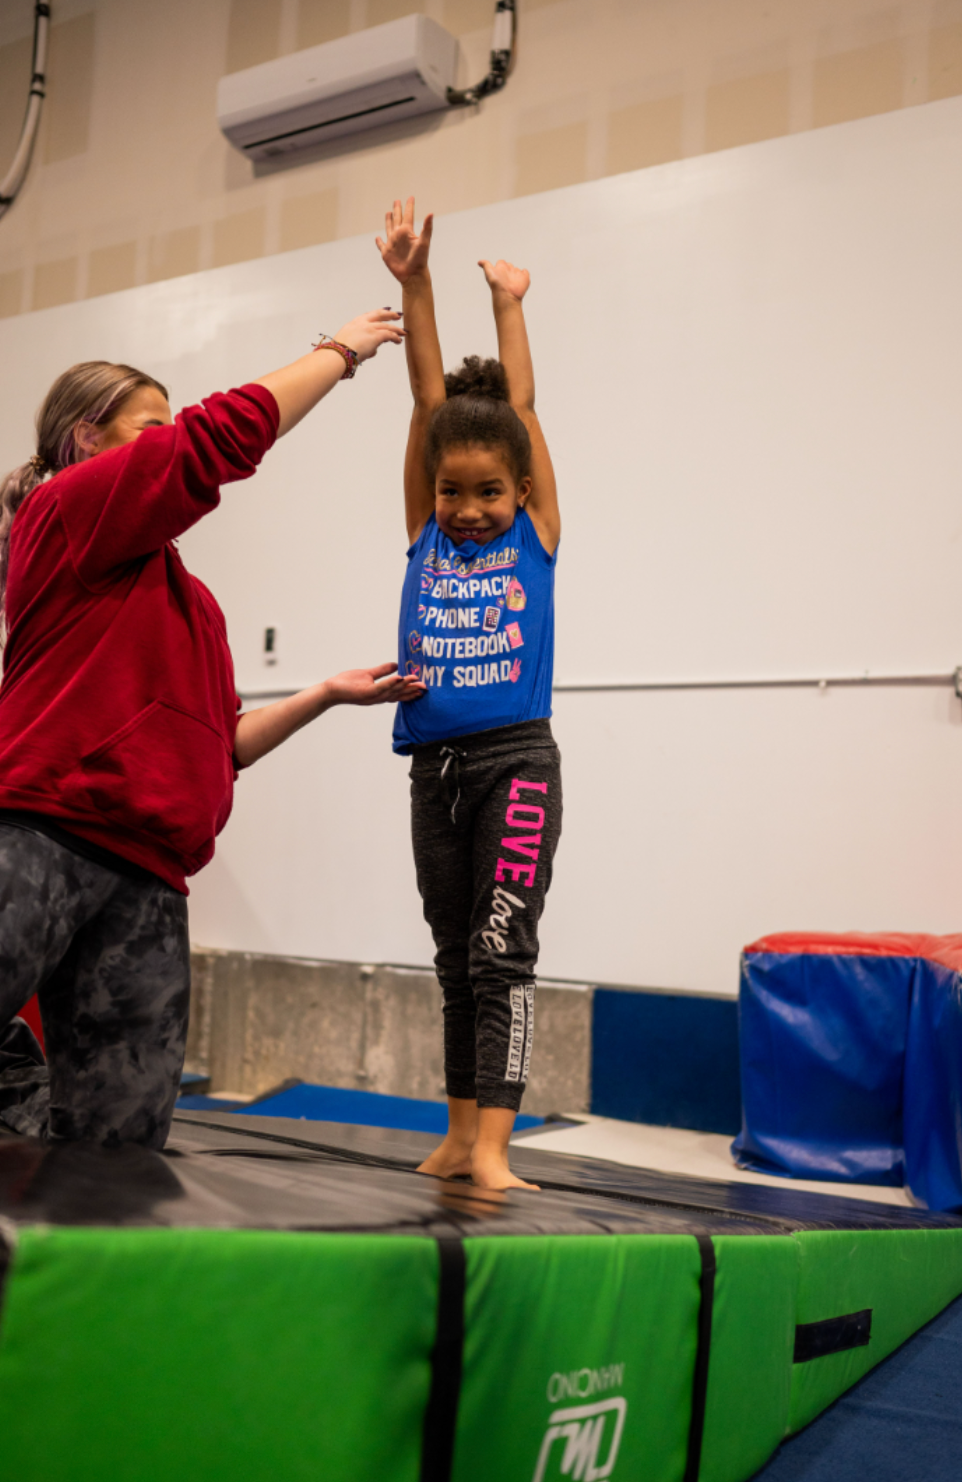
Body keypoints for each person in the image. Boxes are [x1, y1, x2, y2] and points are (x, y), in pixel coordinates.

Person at [0, 308, 425, 1148]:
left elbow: (215, 748)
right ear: (89, 442)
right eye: (149, 429)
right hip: (42, 835)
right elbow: (214, 442)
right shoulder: (65, 515)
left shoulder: (193, 605)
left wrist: (323, 695)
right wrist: (337, 354)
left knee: (120, 1136)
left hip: (150, 874)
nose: (167, 441)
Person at [377, 197, 562, 1191]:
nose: (468, 509)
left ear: (522, 493)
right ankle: (457, 1134)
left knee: (501, 953)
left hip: (513, 764)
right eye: (453, 493)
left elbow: (520, 415)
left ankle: (493, 1148)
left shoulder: (532, 541)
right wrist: (412, 282)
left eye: (488, 492)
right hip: (431, 771)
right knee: (452, 957)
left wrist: (506, 307)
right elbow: (423, 406)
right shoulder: (427, 539)